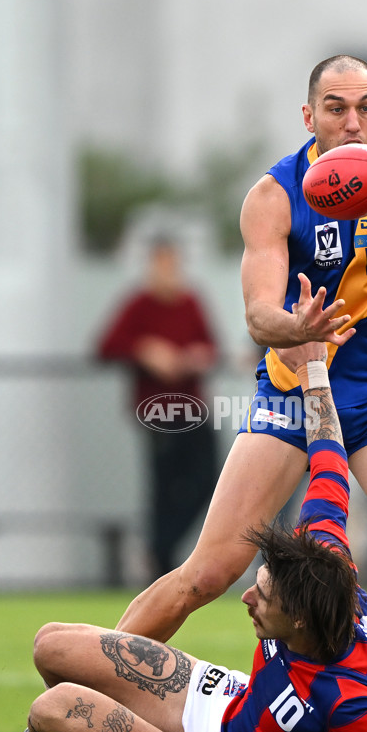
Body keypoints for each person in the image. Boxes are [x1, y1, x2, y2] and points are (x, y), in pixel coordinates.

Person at [115, 55, 367, 732]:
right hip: (294, 385)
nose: (354, 122)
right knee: (207, 574)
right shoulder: (274, 196)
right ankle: (97, 684)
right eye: (336, 108)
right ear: (309, 117)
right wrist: (292, 327)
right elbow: (257, 314)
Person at [0, 341, 367, 732]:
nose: (247, 598)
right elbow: (330, 453)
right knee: (53, 647)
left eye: (263, 597)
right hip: (237, 707)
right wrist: (314, 366)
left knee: (54, 709)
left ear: (299, 620)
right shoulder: (323, 554)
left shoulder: (352, 698)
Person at [95, 237, 218, 580]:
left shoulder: (190, 302)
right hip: (156, 411)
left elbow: (210, 346)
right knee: (163, 488)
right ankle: (160, 560)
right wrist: (145, 350)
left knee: (207, 478)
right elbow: (105, 347)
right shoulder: (139, 304)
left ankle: (162, 547)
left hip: (192, 408)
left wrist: (193, 357)